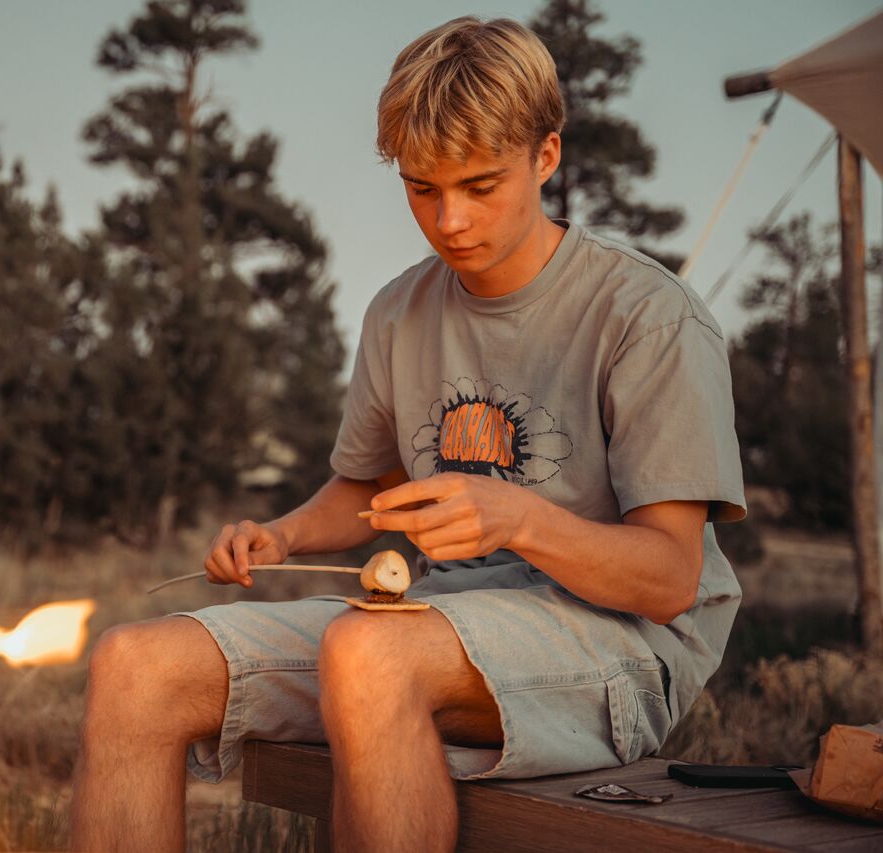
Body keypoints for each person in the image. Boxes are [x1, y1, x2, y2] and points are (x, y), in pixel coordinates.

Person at [70, 14, 745, 853]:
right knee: (133, 668)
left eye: (480, 185)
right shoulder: (399, 310)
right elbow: (367, 494)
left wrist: (517, 517)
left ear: (546, 155)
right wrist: (278, 535)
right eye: (423, 188)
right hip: (426, 620)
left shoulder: (649, 317)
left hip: (625, 642)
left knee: (368, 653)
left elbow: (671, 576)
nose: (450, 220)